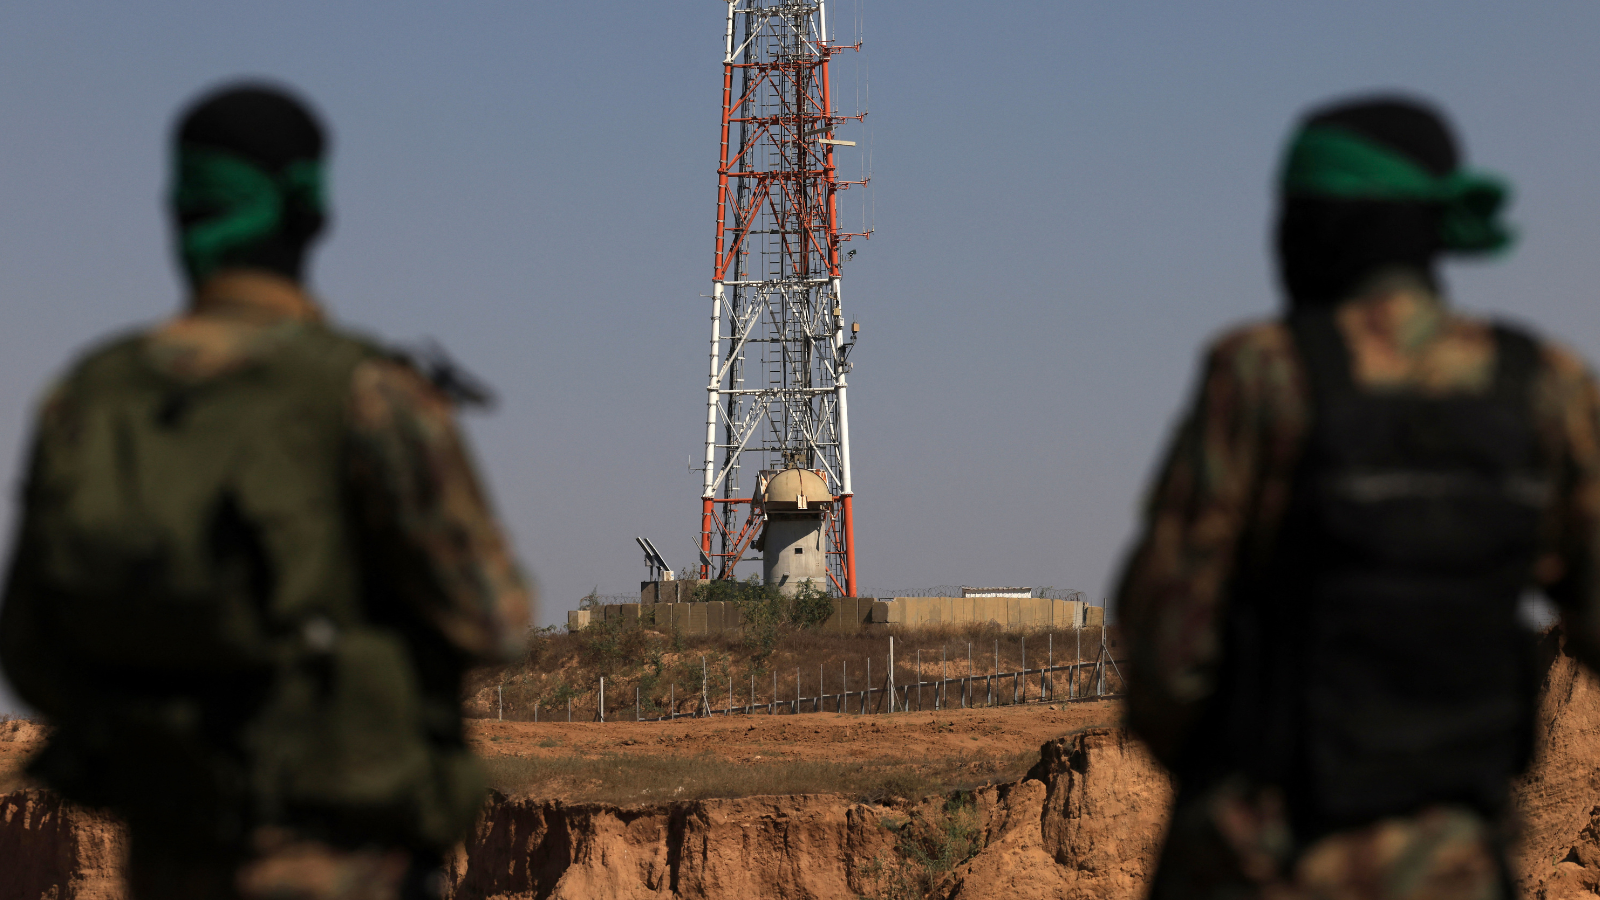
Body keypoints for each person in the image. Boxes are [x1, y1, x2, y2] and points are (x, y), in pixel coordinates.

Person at [0, 83, 532, 899]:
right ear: (310, 208)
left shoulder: (89, 398)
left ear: (179, 208)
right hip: (345, 860)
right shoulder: (371, 394)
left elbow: (33, 651)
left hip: (174, 858)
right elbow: (492, 617)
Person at [1116, 95, 1600, 898]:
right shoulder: (1544, 389)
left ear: (1320, 226)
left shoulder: (1263, 376)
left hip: (1262, 861)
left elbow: (1167, 651)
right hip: (1454, 866)